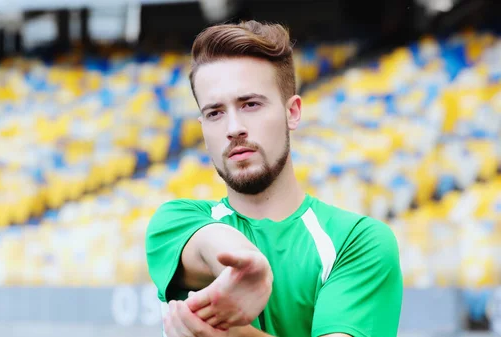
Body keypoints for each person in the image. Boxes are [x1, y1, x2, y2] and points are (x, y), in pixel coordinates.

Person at [145, 20, 403, 337]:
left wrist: (232, 334)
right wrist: (247, 267)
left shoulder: (358, 242)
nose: (233, 127)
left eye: (250, 104)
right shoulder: (173, 223)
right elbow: (211, 245)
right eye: (215, 112)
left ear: (292, 112)